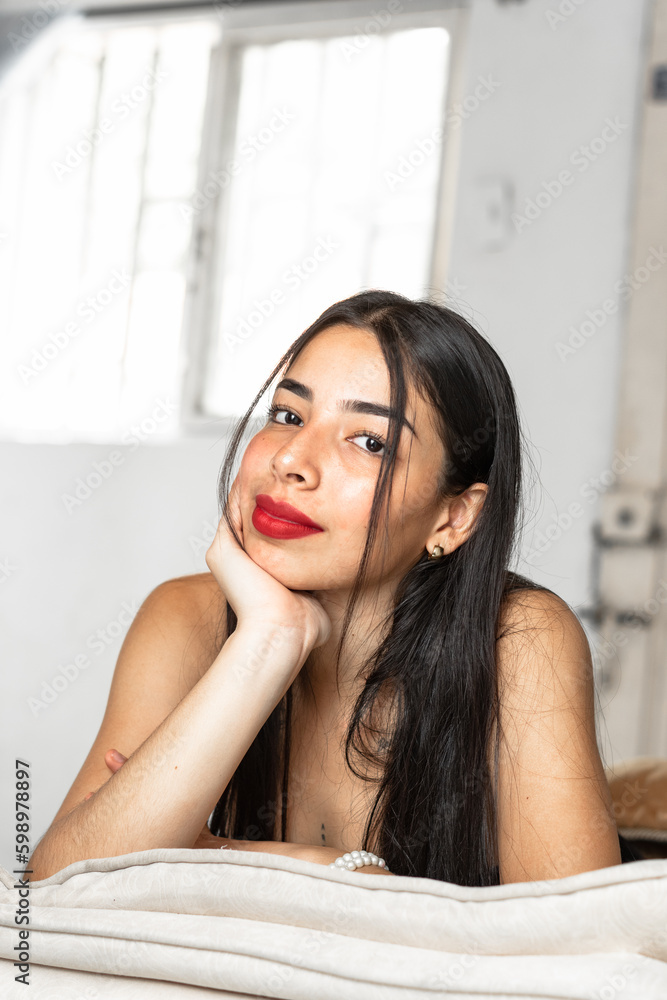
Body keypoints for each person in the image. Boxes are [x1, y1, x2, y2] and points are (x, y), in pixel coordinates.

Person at [29, 289, 629, 885]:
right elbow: (53, 892)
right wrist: (268, 640)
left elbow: (566, 935)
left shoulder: (521, 641)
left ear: (454, 518)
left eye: (369, 442)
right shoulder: (185, 617)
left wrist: (240, 856)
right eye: (289, 416)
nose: (291, 459)